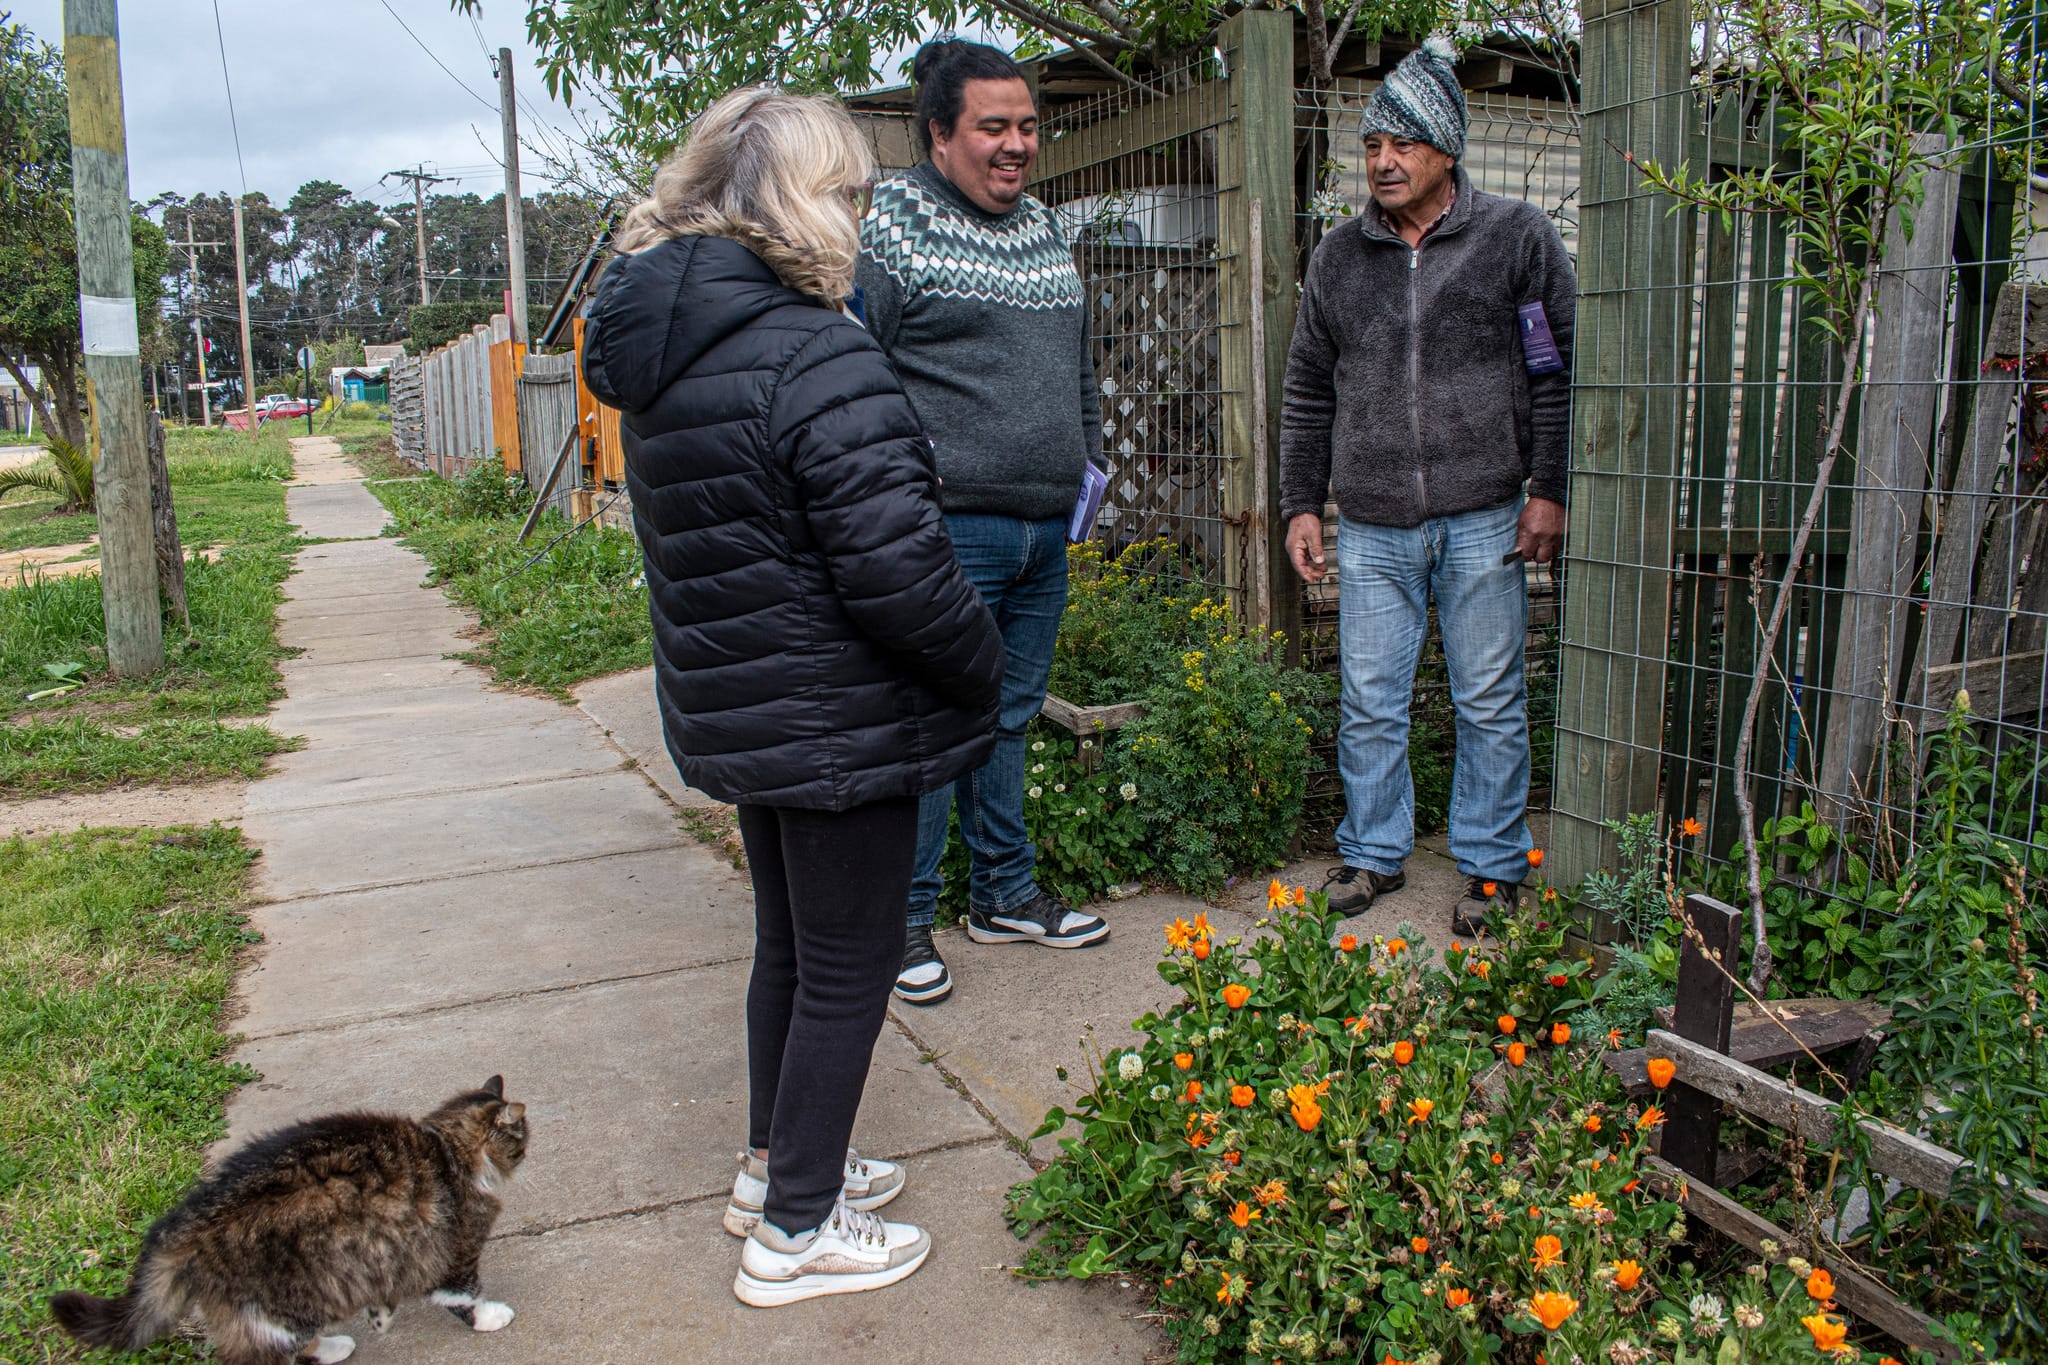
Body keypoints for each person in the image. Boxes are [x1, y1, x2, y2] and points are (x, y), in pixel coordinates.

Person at [582, 86, 1005, 1307]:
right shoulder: (814, 348)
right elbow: (898, 571)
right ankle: (797, 1235)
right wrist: (980, 662)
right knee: (851, 966)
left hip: (751, 707)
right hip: (838, 717)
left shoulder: (671, 351)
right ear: (801, 202)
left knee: (793, 950)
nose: (861, 217)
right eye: (851, 193)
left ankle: (776, 1170)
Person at [1278, 36, 1575, 938]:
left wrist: (1549, 486)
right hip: (1372, 523)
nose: (1383, 161)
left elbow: (1555, 371)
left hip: (1488, 512)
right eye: (1373, 145)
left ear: (1446, 148)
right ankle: (1373, 851)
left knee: (1489, 696)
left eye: (1403, 144)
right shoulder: (1339, 258)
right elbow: (1305, 388)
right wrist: (1300, 501)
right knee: (1369, 695)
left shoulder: (1514, 240)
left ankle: (1490, 867)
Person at [857, 38, 1110, 1007]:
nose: (1016, 146)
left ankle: (1002, 895)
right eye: (992, 127)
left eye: (1027, 126)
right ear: (938, 133)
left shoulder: (1044, 226)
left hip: (1045, 528)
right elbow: (855, 372)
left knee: (1005, 719)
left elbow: (1077, 367)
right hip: (946, 533)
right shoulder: (894, 230)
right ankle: (900, 922)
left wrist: (1087, 465)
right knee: (926, 728)